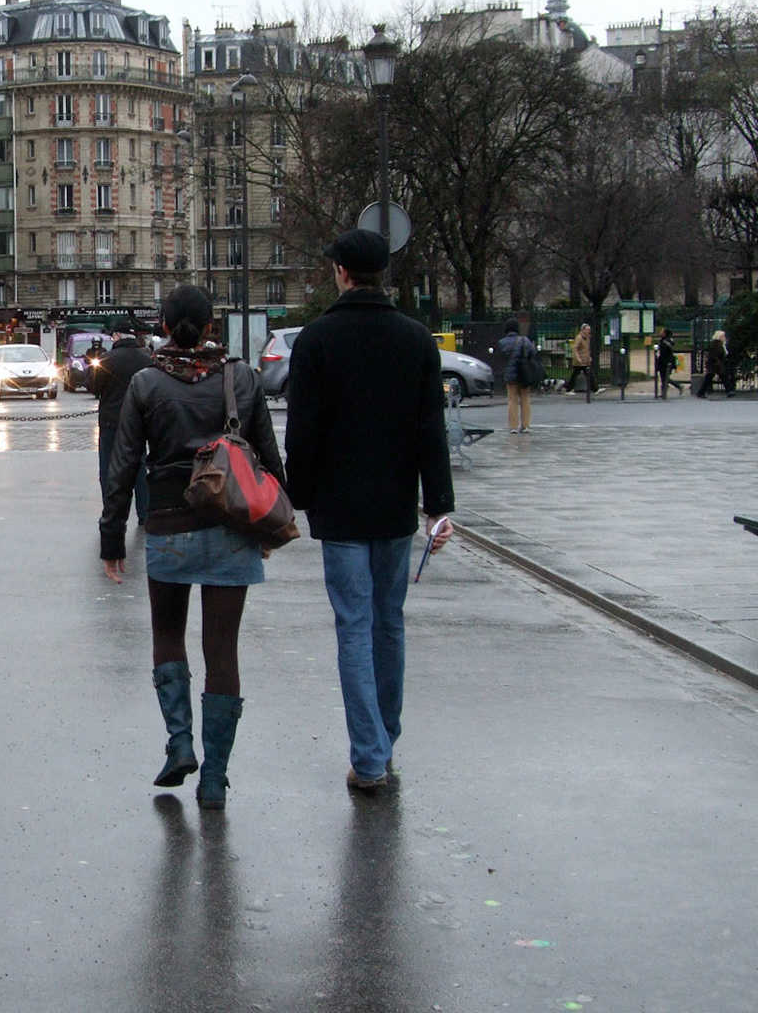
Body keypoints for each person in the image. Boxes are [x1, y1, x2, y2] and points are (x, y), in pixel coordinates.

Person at [283, 229, 456, 793]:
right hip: (395, 506)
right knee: (390, 622)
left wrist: (300, 497)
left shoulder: (317, 339)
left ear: (340, 272)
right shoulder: (415, 340)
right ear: (381, 273)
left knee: (353, 627)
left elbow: (303, 432)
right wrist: (439, 507)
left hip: (339, 508)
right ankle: (385, 736)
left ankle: (370, 753)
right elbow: (431, 430)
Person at [101, 285, 280, 810]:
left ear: (162, 323)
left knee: (166, 633)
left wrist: (113, 536)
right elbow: (268, 457)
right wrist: (267, 529)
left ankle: (180, 742)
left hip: (168, 523)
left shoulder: (146, 383)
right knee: (222, 650)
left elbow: (124, 464)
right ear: (210, 326)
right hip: (232, 524)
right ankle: (214, 777)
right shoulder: (241, 377)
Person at [90, 327, 153, 526]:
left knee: (109, 468)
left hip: (111, 420)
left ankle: (111, 511)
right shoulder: (146, 360)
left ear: (117, 336)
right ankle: (144, 512)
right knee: (140, 467)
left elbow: (92, 385)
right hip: (138, 422)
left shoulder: (108, 359)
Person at [497, 320, 540, 434]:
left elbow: (500, 357)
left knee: (512, 399)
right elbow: (533, 353)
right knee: (525, 398)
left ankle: (513, 426)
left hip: (510, 373)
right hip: (524, 373)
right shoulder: (524, 340)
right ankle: (525, 425)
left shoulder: (502, 342)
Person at [698, 330, 733, 398]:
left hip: (715, 364)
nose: (724, 337)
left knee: (718, 378)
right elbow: (714, 355)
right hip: (715, 364)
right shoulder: (717, 345)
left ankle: (729, 391)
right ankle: (729, 391)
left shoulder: (720, 344)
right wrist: (718, 362)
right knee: (713, 378)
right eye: (723, 336)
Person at [566, 324, 594, 398]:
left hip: (585, 360)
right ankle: (568, 389)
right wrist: (578, 358)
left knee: (588, 374)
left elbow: (587, 349)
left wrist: (589, 357)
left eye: (589, 330)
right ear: (583, 330)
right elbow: (575, 348)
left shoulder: (587, 338)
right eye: (587, 329)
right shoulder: (579, 337)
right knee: (576, 375)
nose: (589, 331)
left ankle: (595, 389)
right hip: (580, 360)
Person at [654, 329, 683, 398]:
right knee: (664, 378)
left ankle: (678, 386)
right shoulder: (668, 340)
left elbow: (663, 353)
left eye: (662, 331)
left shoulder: (665, 342)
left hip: (665, 362)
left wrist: (658, 361)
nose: (660, 332)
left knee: (665, 377)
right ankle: (664, 392)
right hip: (668, 361)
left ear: (665, 333)